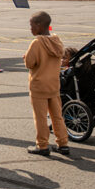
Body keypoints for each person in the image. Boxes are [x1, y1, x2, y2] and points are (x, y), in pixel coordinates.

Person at [24, 11, 69, 156]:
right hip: (54, 85)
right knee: (57, 116)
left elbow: (30, 63)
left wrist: (26, 57)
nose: (30, 29)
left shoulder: (37, 43)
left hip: (39, 86)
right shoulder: (57, 41)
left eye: (31, 26)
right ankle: (63, 143)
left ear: (39, 25)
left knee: (41, 117)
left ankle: (42, 145)